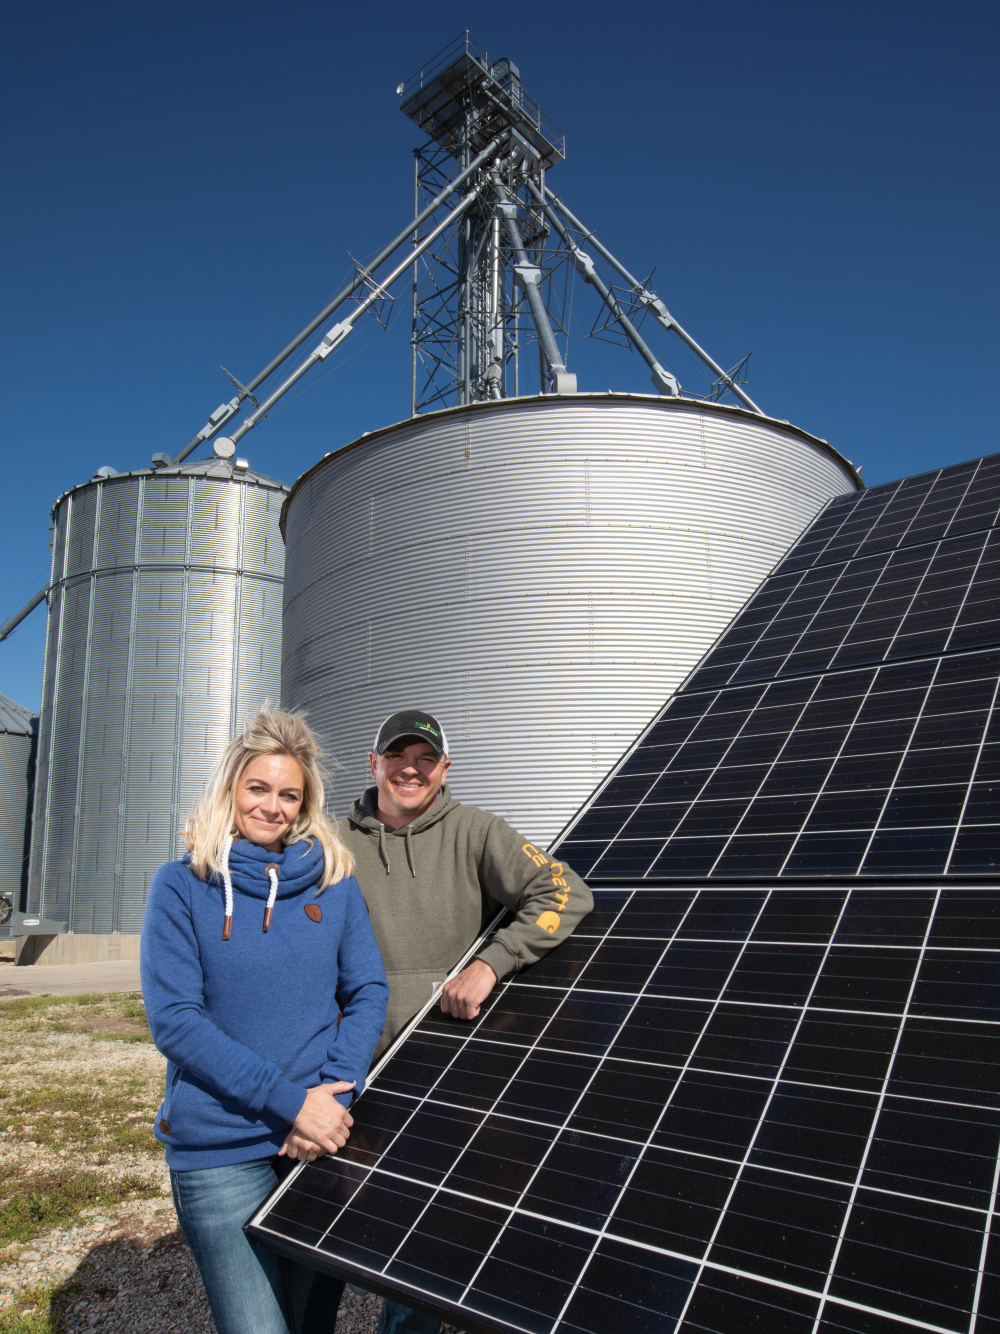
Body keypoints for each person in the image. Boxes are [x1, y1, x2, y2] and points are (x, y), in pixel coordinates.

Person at [341, 707, 594, 1334]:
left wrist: (492, 963)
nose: (411, 769)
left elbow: (564, 888)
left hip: (441, 1066)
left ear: (444, 770)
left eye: (425, 759)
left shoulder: (476, 832)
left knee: (420, 1247)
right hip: (349, 1065)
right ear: (373, 764)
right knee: (321, 1226)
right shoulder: (331, 843)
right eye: (397, 756)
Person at [140, 708, 388, 1334]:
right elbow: (175, 1020)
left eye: (289, 794)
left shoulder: (335, 885)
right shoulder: (181, 886)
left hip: (315, 1143)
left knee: (310, 1322)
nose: (272, 806)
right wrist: (289, 1103)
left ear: (305, 804)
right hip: (220, 1150)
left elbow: (367, 991)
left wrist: (332, 1096)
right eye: (258, 788)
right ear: (231, 788)